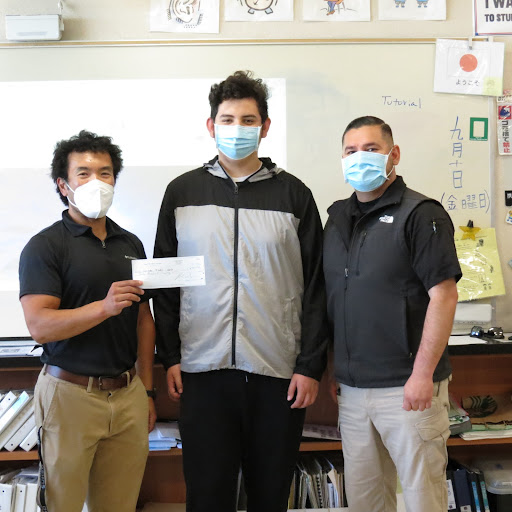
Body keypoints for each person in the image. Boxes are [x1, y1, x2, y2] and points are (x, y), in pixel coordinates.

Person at [154, 70, 328, 512]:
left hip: (278, 374)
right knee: (207, 496)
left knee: (269, 496)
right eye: (227, 119)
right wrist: (170, 355)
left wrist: (309, 365)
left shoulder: (295, 195)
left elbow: (316, 289)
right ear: (211, 126)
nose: (237, 129)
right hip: (202, 371)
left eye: (248, 120)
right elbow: (166, 284)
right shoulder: (181, 192)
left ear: (265, 127)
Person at [323, 116, 461, 512]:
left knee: (421, 499)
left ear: (393, 154)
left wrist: (421, 375)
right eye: (351, 151)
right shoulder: (335, 220)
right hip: (352, 391)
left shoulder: (421, 214)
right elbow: (334, 298)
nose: (360, 158)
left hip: (408, 389)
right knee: (366, 501)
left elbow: (444, 297)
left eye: (371, 149)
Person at [19, 130, 157, 512]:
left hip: (128, 393)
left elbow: (144, 320)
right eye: (84, 173)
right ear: (63, 185)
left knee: (119, 505)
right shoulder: (45, 246)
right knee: (62, 505)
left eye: (106, 173)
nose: (96, 181)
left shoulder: (131, 243)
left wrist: (146, 391)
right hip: (70, 396)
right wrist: (104, 307)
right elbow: (40, 326)